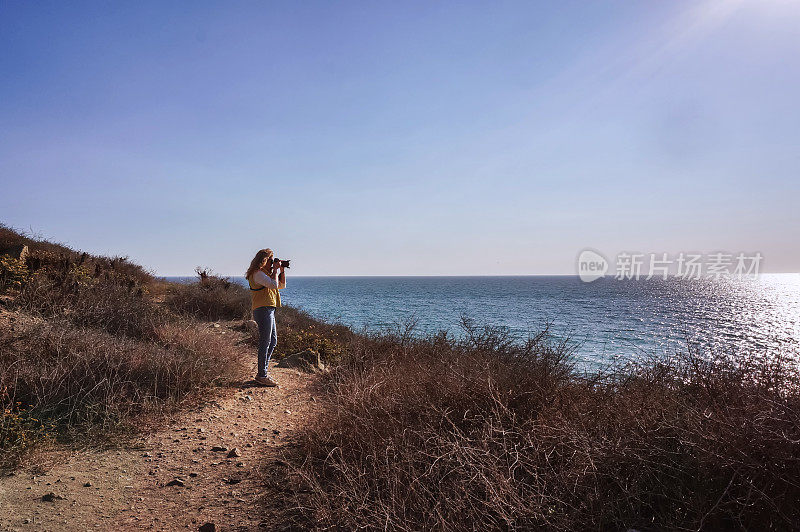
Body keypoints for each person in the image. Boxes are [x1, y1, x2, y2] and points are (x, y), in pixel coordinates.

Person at [244, 248, 286, 386]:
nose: (272, 263)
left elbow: (280, 286)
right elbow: (273, 284)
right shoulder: (257, 274)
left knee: (272, 341)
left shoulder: (265, 274)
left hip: (269, 309)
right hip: (262, 310)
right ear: (263, 260)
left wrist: (281, 271)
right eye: (270, 260)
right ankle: (262, 374)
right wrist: (275, 271)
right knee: (265, 341)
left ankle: (263, 371)